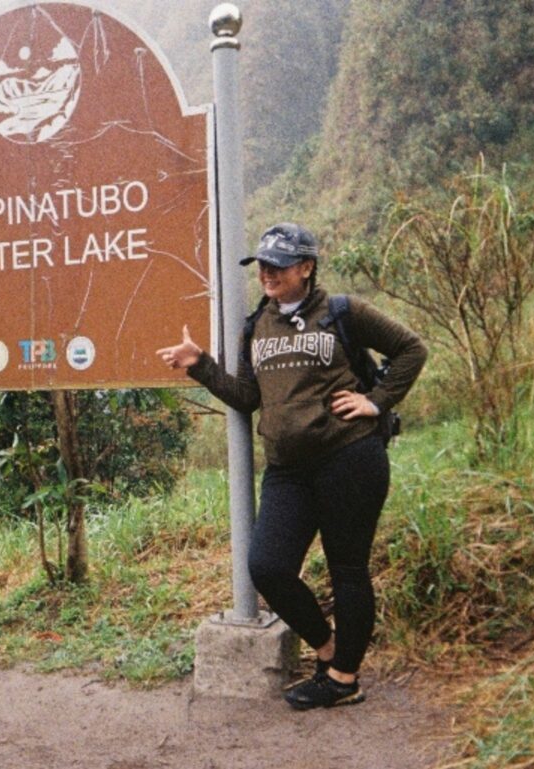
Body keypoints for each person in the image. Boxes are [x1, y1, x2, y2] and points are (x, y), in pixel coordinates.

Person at [157, 223, 427, 710]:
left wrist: (376, 402)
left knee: (347, 568)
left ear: (306, 267)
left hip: (349, 456)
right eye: (262, 264)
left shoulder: (342, 312)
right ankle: (327, 651)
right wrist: (200, 364)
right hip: (286, 469)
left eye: (279, 264)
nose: (267, 273)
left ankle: (343, 679)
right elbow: (248, 397)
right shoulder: (256, 325)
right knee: (267, 565)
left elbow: (411, 349)